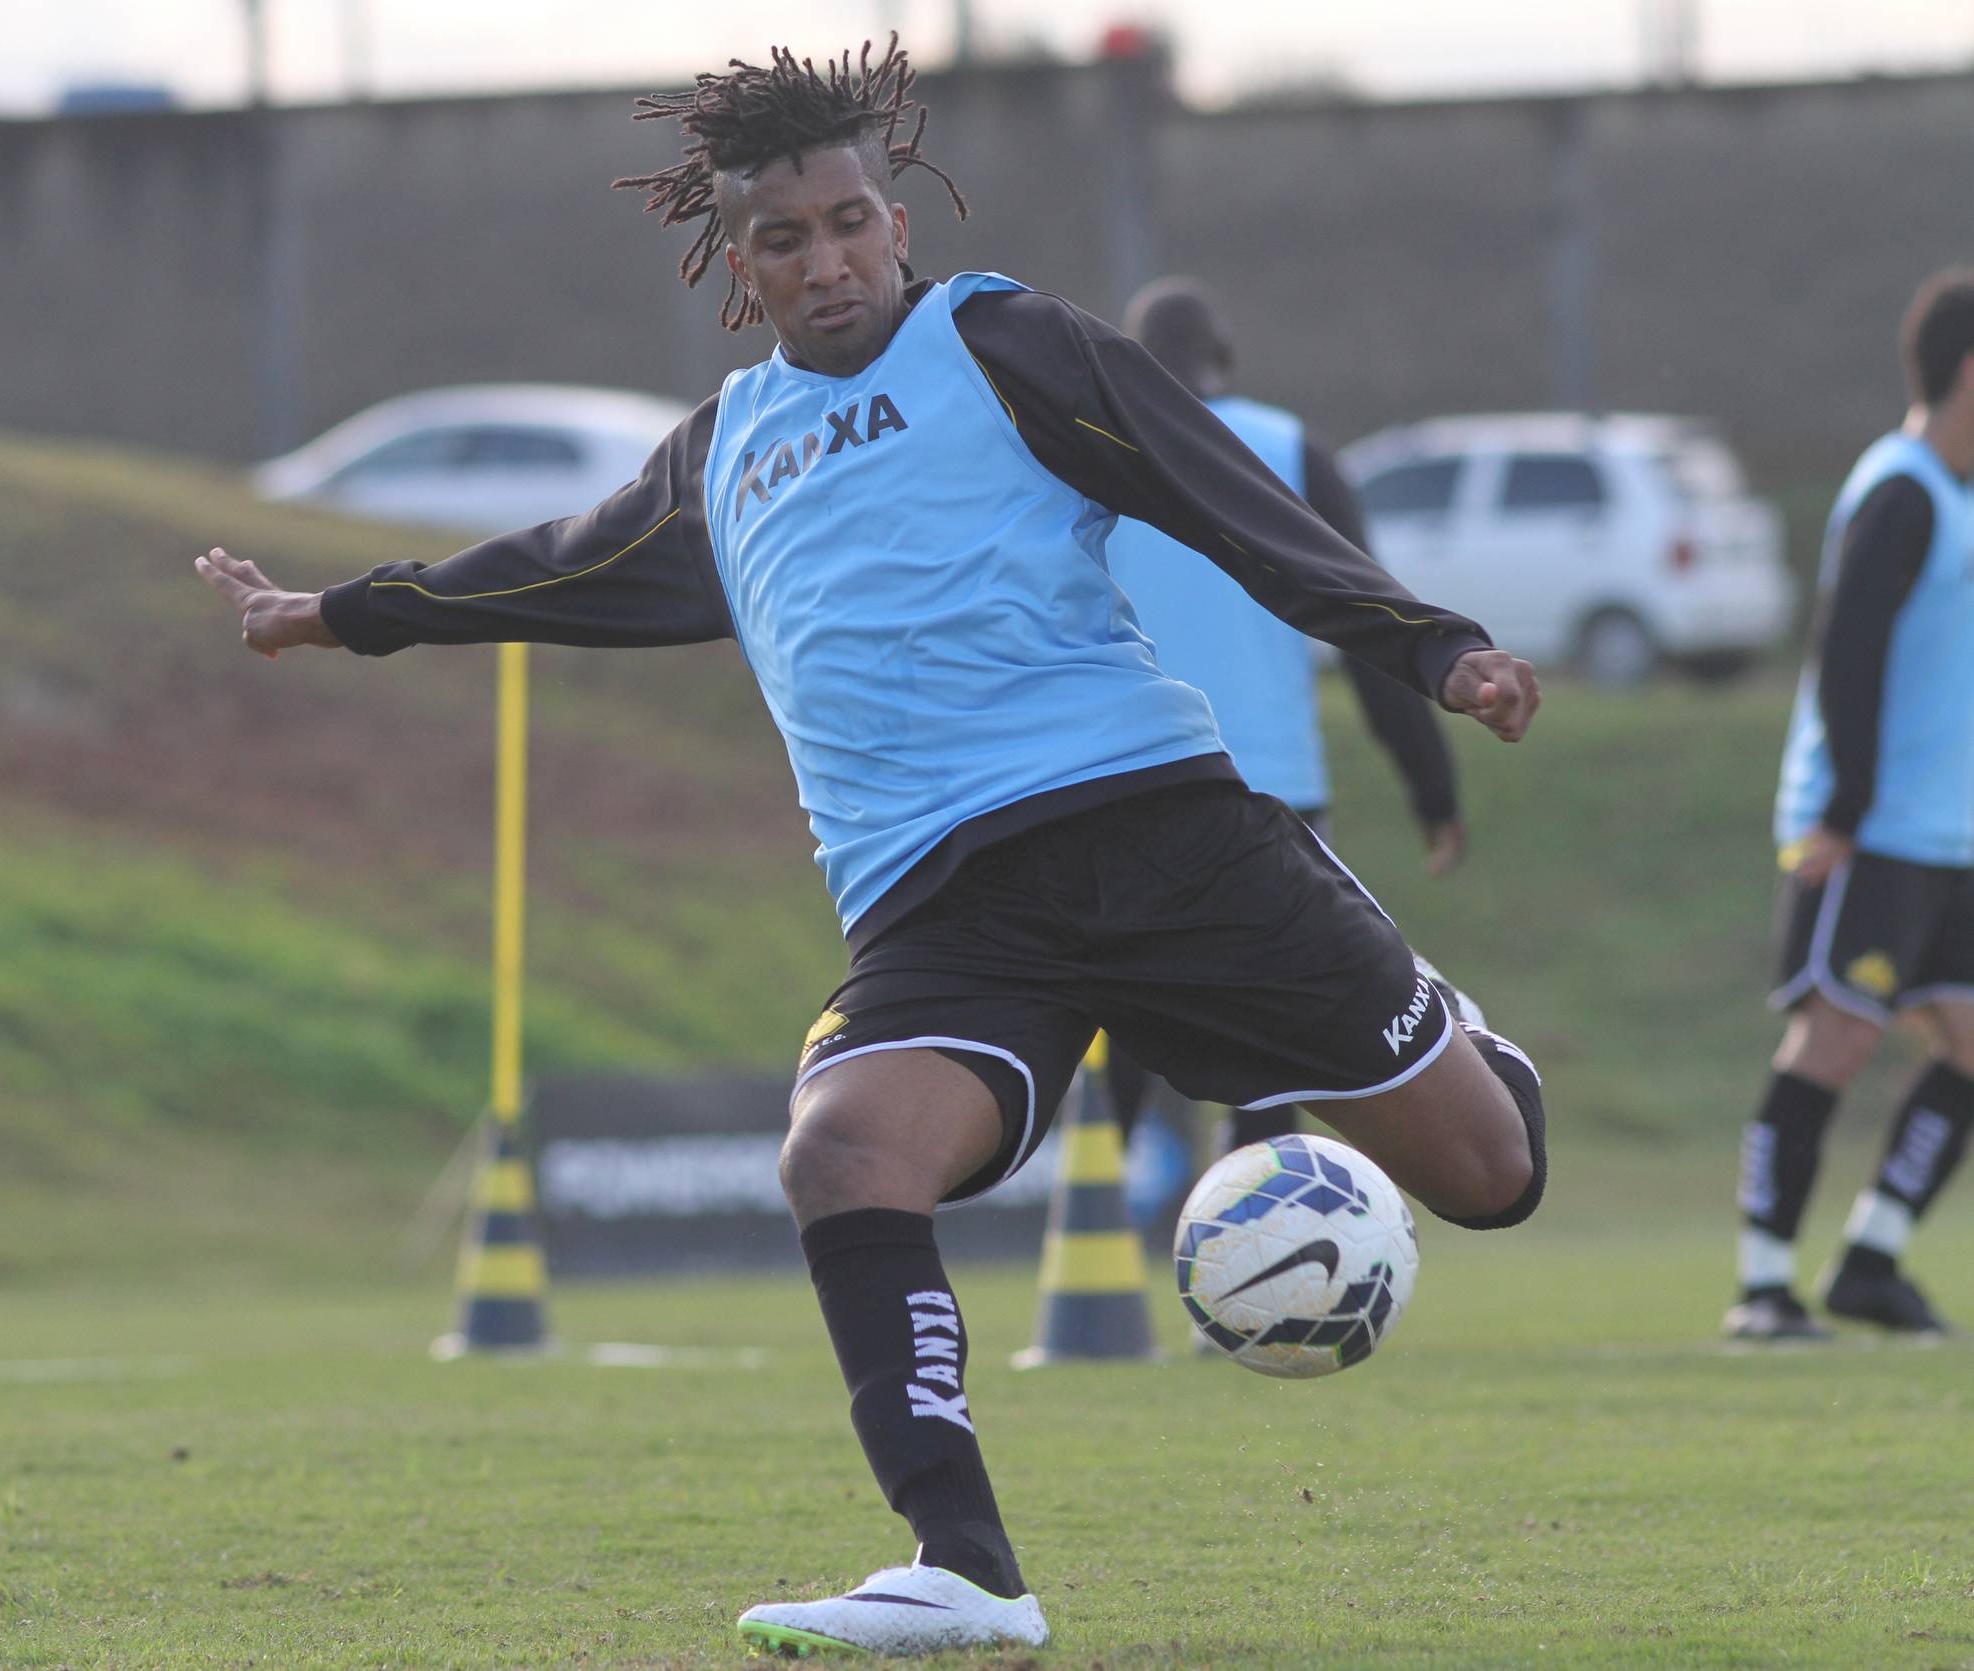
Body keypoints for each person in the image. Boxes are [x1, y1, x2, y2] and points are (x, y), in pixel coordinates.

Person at [193, 39, 1546, 1657]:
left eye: (850, 222)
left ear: (898, 224)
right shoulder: (726, 456)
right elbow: (552, 566)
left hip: (1168, 837)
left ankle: (1451, 1027)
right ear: (738, 262)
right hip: (942, 904)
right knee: (841, 1150)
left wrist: (1432, 647)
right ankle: (965, 1568)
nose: (826, 260)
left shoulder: (1008, 345)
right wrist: (337, 614)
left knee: (1491, 1176)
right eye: (786, 239)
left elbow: (1223, 493)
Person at [1101, 277, 1463, 1163]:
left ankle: (1092, 1226)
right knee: (1272, 1025)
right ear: (1226, 358)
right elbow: (1374, 631)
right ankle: (1258, 1239)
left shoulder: (1096, 443)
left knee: (1121, 1006)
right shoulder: (1292, 450)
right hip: (1272, 795)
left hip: (1123, 792)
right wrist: (1434, 792)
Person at [1728, 269, 1974, 1342]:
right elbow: (1847, 650)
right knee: (1832, 1043)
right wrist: (1844, 808)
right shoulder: (1902, 488)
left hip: (1950, 835)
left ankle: (1870, 1258)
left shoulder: (1957, 495)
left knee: (1967, 1045)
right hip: (1869, 833)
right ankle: (1762, 1284)